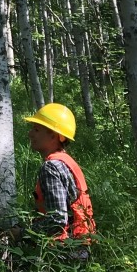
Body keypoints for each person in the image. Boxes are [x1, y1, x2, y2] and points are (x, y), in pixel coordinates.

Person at [24, 103, 95, 252]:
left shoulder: (50, 168)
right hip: (81, 245)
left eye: (36, 129)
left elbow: (57, 221)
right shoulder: (66, 162)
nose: (30, 134)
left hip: (64, 251)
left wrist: (23, 233)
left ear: (54, 135)